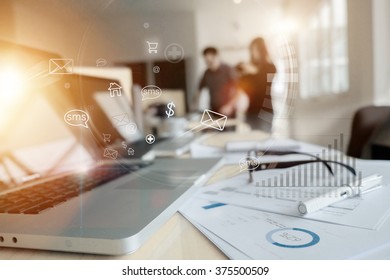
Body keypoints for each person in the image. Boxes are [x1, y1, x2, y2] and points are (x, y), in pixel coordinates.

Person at [238, 37, 276, 132]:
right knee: (252, 141)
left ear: (262, 50)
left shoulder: (270, 67)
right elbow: (242, 86)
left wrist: (254, 71)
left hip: (265, 111)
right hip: (250, 111)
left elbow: (264, 83)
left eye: (256, 49)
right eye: (252, 50)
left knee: (265, 142)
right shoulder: (248, 69)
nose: (254, 52)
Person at [193, 47, 239, 116]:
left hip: (228, 111)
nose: (209, 64)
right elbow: (199, 90)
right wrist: (194, 105)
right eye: (207, 62)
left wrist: (229, 106)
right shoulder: (207, 73)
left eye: (211, 61)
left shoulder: (228, 70)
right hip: (214, 110)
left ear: (217, 57)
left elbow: (239, 90)